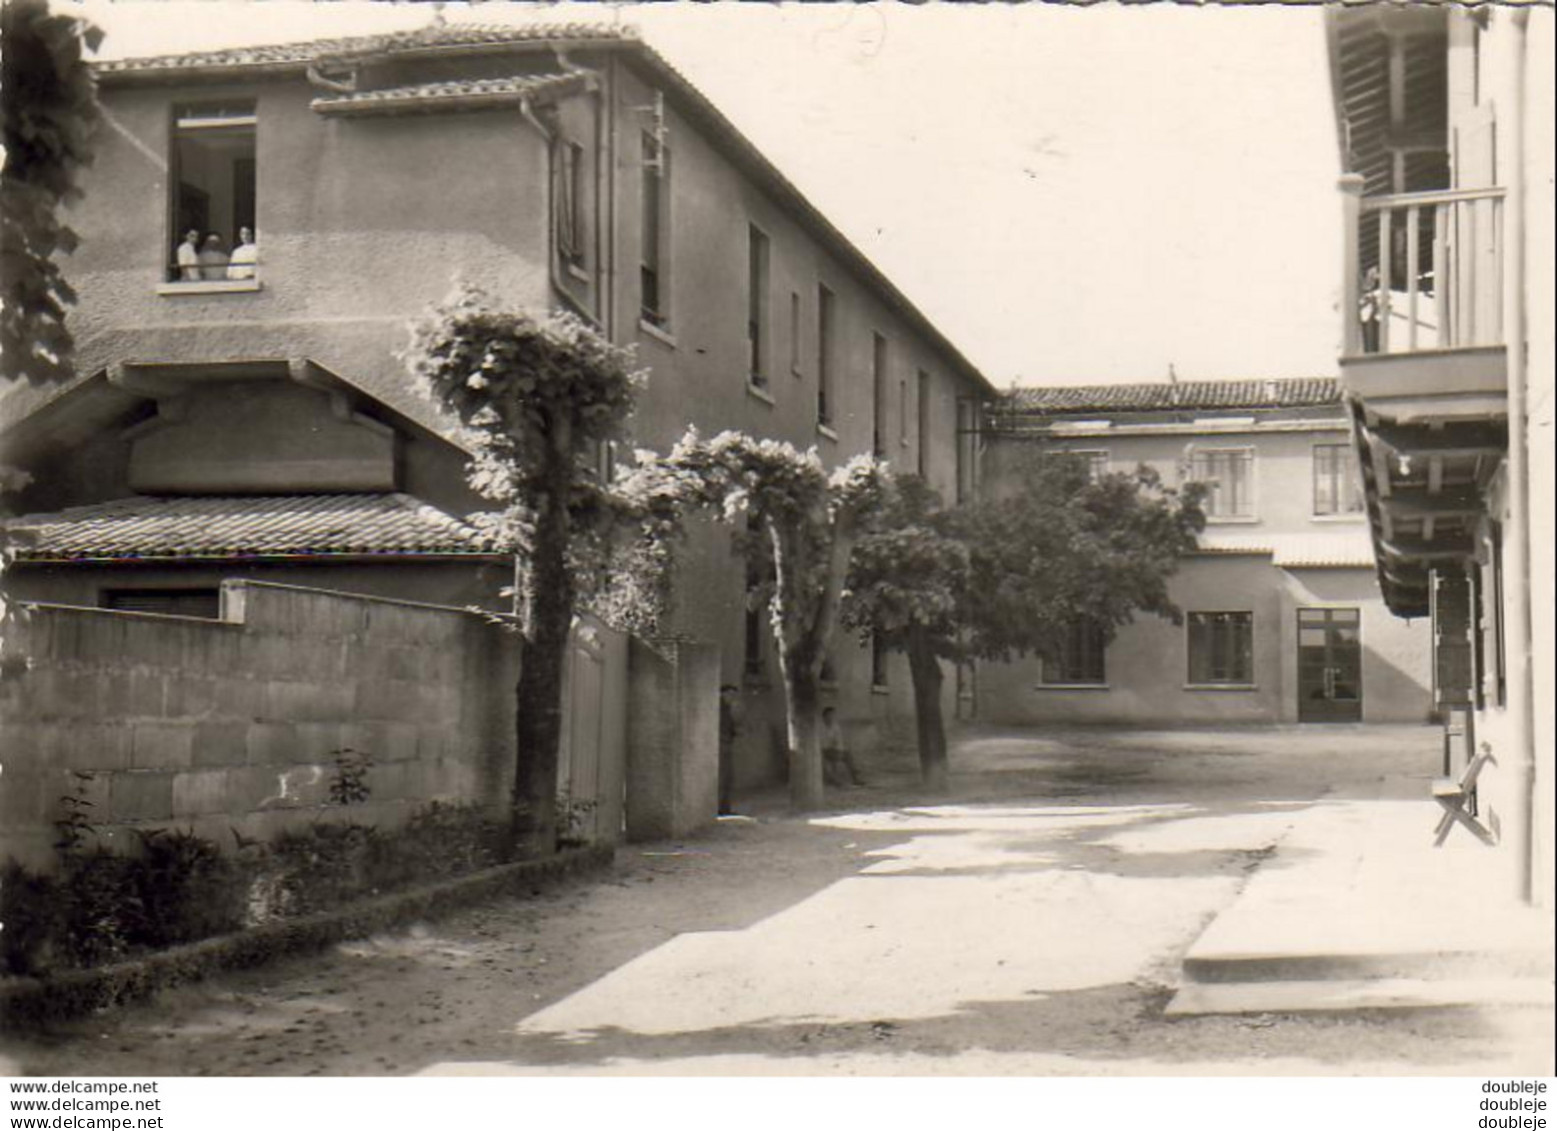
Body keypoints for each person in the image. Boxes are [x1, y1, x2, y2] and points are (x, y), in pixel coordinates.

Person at [821, 706, 864, 788]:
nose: (831, 717)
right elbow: (819, 743)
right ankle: (836, 782)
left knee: (847, 754)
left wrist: (839, 751)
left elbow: (839, 740)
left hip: (832, 750)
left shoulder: (835, 726)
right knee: (829, 758)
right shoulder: (820, 727)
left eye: (833, 715)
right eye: (829, 715)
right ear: (824, 716)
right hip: (821, 750)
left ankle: (855, 778)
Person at [718, 684, 742, 815]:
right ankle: (719, 809)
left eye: (734, 695)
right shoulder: (719, 708)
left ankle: (724, 808)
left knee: (727, 778)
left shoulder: (727, 709)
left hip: (726, 744)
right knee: (722, 778)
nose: (733, 698)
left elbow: (732, 727)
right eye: (730, 695)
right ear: (723, 694)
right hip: (720, 745)